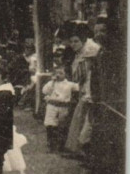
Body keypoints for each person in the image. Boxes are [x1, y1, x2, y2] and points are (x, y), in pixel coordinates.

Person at [64, 23, 101, 157]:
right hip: (85, 89)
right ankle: (79, 150)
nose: (73, 44)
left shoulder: (88, 54)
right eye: (71, 41)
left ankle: (82, 151)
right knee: (80, 119)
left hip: (90, 90)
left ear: (83, 40)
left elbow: (78, 76)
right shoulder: (80, 53)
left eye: (76, 41)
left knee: (86, 122)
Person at [42, 66, 78, 153]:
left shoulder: (69, 84)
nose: (58, 75)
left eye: (61, 73)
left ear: (65, 74)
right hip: (52, 106)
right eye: (56, 73)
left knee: (62, 126)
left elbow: (78, 88)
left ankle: (61, 146)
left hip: (63, 106)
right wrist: (52, 82)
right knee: (50, 125)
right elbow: (45, 91)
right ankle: (51, 146)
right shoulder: (51, 84)